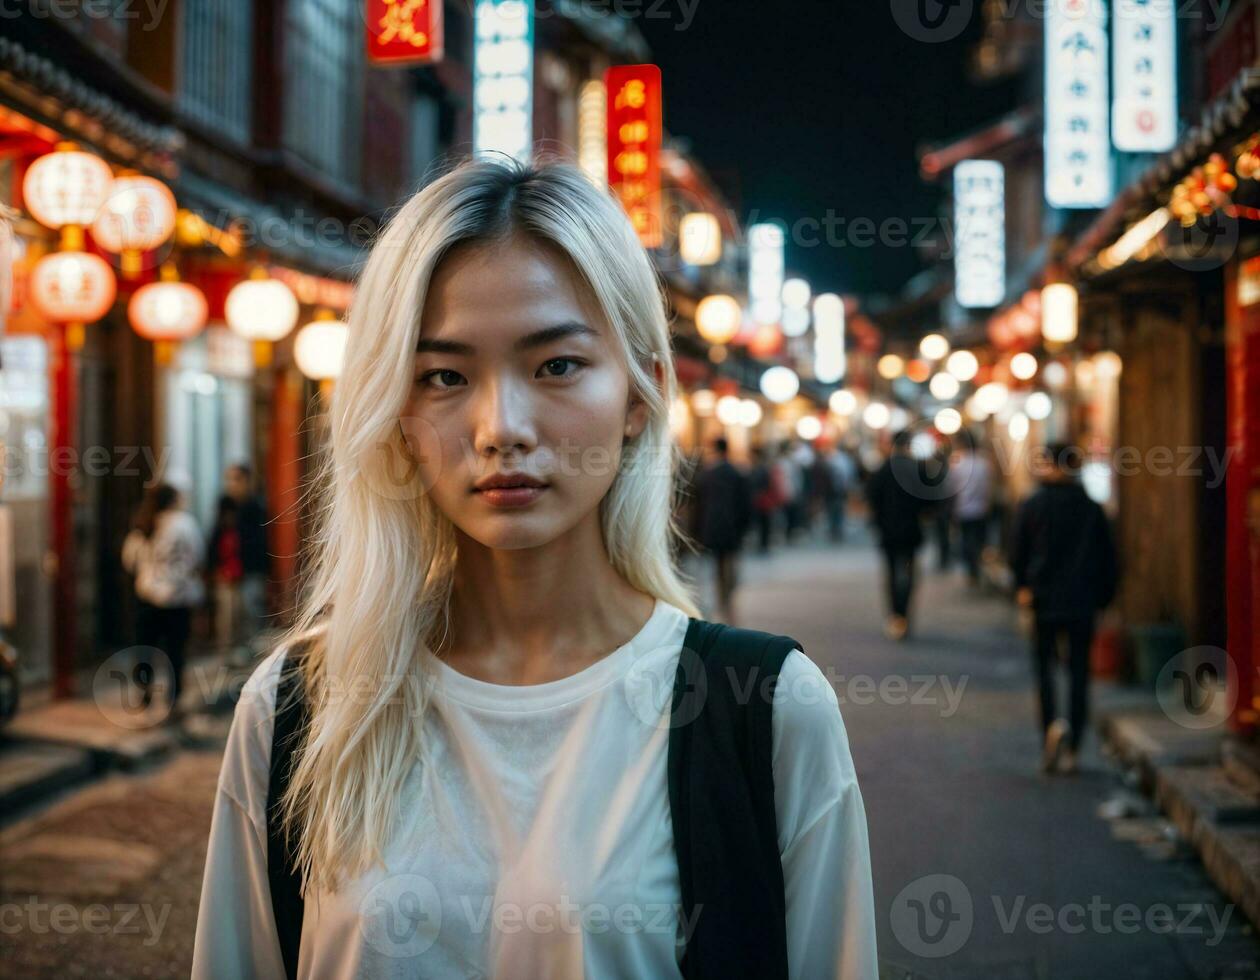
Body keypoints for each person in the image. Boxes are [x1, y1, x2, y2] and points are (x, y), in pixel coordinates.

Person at [192, 159, 878, 979]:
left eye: (556, 366)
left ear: (642, 395)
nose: (500, 428)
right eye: (444, 376)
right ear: (398, 415)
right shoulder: (298, 709)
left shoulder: (764, 710)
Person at [1010, 442, 1118, 775]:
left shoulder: (1032, 505)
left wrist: (1022, 589)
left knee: (1044, 672)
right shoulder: (1091, 508)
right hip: (1082, 602)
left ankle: (1049, 736)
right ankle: (1073, 747)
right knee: (1078, 674)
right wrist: (1103, 600)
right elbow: (1109, 559)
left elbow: (1017, 555)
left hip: (1044, 602)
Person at [121, 482, 205, 718]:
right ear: (174, 499)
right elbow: (198, 554)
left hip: (147, 596)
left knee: (145, 647)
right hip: (179, 598)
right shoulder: (185, 523)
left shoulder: (144, 523)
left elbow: (129, 560)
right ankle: (173, 699)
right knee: (175, 650)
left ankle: (144, 694)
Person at [865, 430, 930, 640]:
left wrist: (878, 520)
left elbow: (871, 498)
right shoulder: (918, 469)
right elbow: (931, 500)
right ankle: (904, 613)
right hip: (911, 530)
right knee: (910, 572)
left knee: (892, 573)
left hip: (888, 531)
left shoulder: (883, 469)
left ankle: (895, 616)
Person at [691, 437, 752, 623]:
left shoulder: (707, 475)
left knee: (715, 567)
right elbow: (745, 504)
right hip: (732, 529)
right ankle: (726, 599)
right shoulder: (737, 473)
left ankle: (720, 599)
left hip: (711, 528)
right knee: (729, 566)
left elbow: (697, 505)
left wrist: (697, 530)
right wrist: (744, 527)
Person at [221, 463, 269, 645]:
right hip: (228, 571)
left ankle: (253, 651)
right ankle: (232, 652)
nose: (232, 484)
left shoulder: (256, 507)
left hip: (251, 569)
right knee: (229, 616)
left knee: (252, 611)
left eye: (237, 479)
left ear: (247, 481)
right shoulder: (225, 505)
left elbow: (259, 542)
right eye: (229, 480)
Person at [946, 436, 994, 585]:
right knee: (980, 539)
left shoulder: (957, 464)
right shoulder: (984, 463)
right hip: (981, 508)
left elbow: (951, 488)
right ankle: (978, 566)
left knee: (966, 540)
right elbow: (989, 486)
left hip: (963, 509)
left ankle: (972, 571)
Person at [207, 494, 246, 654]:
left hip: (240, 578)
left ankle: (240, 649)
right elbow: (212, 557)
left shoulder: (240, 530)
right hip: (223, 579)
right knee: (225, 617)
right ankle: (226, 650)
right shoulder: (218, 532)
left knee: (240, 615)